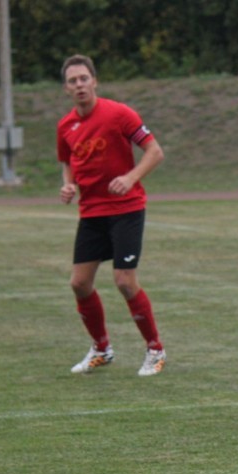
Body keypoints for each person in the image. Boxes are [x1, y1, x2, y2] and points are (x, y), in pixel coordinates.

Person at [57, 54, 166, 377]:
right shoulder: (66, 126)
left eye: (84, 78)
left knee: (124, 281)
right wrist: (68, 186)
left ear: (94, 81)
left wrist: (131, 177)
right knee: (79, 283)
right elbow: (67, 162)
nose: (79, 85)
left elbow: (155, 151)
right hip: (91, 212)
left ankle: (155, 350)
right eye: (73, 81)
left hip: (126, 210)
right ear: (66, 88)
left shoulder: (119, 114)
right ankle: (102, 349)